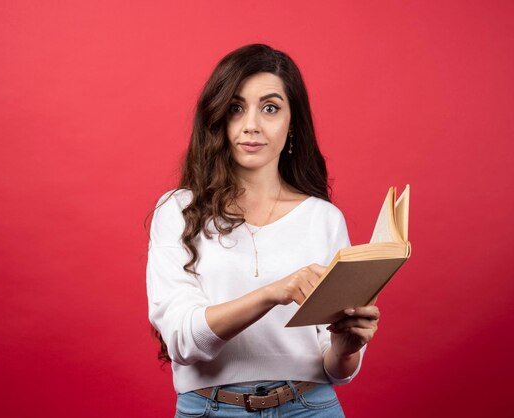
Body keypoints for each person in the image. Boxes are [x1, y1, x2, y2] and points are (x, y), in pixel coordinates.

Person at [146, 44, 380, 417]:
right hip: (210, 409)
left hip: (310, 407)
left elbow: (336, 370)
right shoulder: (177, 210)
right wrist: (273, 292)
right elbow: (183, 341)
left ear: (292, 124)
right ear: (218, 117)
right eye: (237, 107)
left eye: (270, 108)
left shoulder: (323, 218)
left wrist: (346, 348)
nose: (251, 124)